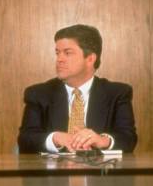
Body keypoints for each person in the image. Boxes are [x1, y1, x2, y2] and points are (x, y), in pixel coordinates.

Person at [17, 24, 137, 153]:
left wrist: (103, 140)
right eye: (58, 53)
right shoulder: (39, 94)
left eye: (67, 53)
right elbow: (25, 140)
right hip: (54, 171)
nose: (59, 59)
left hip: (100, 171)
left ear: (90, 59)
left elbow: (128, 139)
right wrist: (55, 138)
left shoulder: (117, 93)